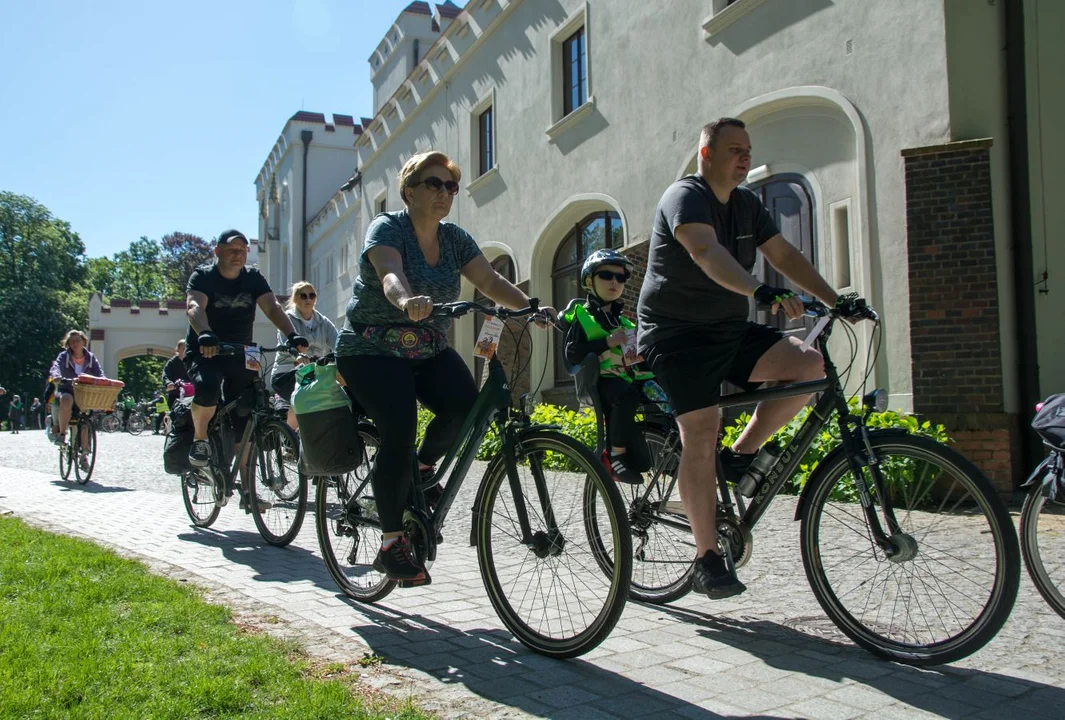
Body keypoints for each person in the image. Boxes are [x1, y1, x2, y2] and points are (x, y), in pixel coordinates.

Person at [637, 118, 869, 599]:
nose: (744, 158)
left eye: (748, 150)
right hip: (674, 335)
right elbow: (704, 251)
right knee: (701, 427)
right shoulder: (685, 197)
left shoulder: (747, 205)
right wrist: (758, 288)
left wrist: (834, 298)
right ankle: (705, 558)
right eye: (733, 150)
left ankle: (739, 455)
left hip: (726, 330)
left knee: (807, 367)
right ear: (706, 155)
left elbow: (784, 254)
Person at [335, 150, 554, 586]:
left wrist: (532, 307)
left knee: (466, 410)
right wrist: (405, 300)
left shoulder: (455, 238)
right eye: (434, 184)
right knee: (399, 427)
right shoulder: (389, 228)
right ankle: (391, 543)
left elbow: (489, 282)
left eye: (451, 186)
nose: (444, 193)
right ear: (410, 190)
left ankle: (420, 470)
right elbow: (389, 273)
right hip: (371, 349)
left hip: (426, 346)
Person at [184, 229, 308, 499]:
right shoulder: (203, 276)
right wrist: (205, 332)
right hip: (206, 348)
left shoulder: (252, 278)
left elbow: (273, 307)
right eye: (231, 249)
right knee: (207, 388)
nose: (238, 254)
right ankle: (201, 439)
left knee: (250, 411)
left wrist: (292, 334)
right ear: (217, 251)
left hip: (245, 351)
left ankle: (248, 492)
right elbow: (195, 306)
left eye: (242, 250)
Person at [563, 249, 655, 484]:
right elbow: (573, 354)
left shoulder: (624, 322)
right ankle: (615, 455)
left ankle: (661, 451)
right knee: (625, 395)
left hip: (625, 381)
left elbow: (635, 360)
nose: (614, 281)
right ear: (588, 281)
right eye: (606, 275)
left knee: (661, 399)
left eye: (620, 277)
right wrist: (606, 342)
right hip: (600, 382)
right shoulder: (582, 317)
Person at [271, 281, 339, 429]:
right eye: (303, 296)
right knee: (303, 395)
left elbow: (338, 343)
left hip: (315, 371)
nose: (308, 299)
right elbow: (287, 344)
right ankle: (289, 439)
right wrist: (298, 356)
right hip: (287, 372)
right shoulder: (287, 320)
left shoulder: (323, 322)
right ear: (295, 299)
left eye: (311, 295)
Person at [48, 330, 103, 469]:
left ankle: (84, 456)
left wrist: (102, 380)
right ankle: (62, 433)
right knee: (66, 399)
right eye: (72, 341)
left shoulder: (90, 358)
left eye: (77, 340)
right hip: (67, 388)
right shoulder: (64, 356)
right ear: (68, 344)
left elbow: (99, 373)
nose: (74, 344)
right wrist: (56, 376)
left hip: (84, 392)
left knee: (85, 422)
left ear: (84, 342)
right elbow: (56, 367)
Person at [161, 339, 191, 410]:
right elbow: (165, 374)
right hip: (175, 395)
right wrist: (169, 383)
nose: (185, 350)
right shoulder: (172, 363)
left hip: (190, 395)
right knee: (172, 416)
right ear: (178, 349)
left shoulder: (191, 362)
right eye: (183, 348)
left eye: (187, 348)